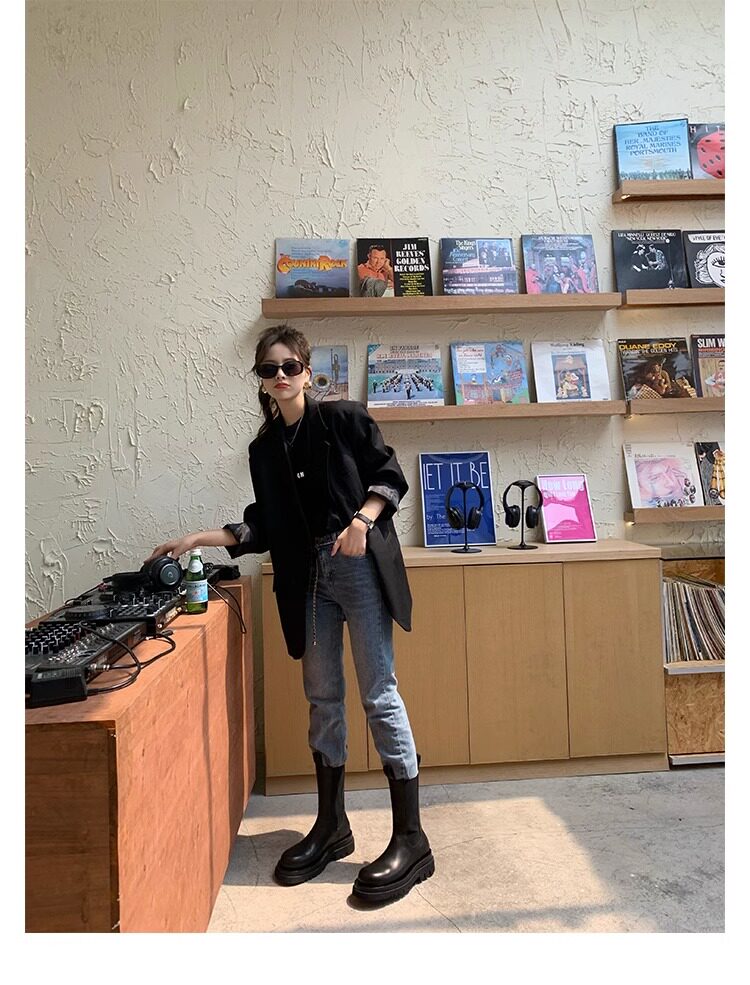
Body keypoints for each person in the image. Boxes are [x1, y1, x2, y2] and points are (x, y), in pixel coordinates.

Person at [146, 323, 433, 904]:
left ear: (307, 371)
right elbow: (266, 525)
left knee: (379, 694)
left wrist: (362, 520)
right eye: (268, 369)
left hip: (357, 566)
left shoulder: (344, 419)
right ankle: (332, 825)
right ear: (260, 380)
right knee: (322, 697)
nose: (280, 376)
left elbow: (389, 476)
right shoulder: (264, 450)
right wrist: (198, 538)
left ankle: (412, 838)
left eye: (289, 367)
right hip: (307, 578)